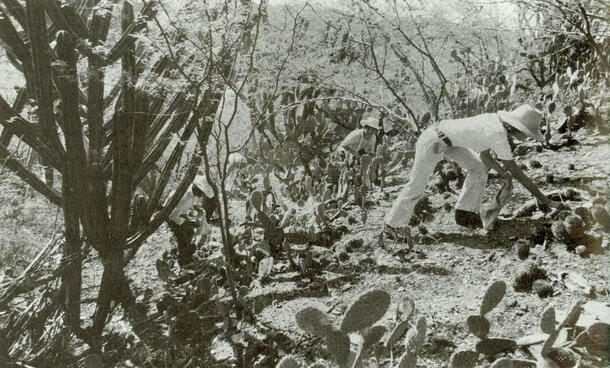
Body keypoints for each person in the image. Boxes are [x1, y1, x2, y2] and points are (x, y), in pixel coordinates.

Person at [383, 104, 561, 244]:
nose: (526, 138)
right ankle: (392, 226)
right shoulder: (498, 134)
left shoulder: (496, 121)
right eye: (527, 134)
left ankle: (465, 213)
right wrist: (544, 199)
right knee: (417, 185)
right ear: (517, 128)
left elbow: (484, 156)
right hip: (434, 140)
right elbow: (518, 173)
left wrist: (503, 174)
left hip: (450, 142)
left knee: (478, 167)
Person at [166, 174, 216, 267]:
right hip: (171, 217)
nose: (202, 196)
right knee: (184, 237)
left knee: (190, 233)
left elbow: (187, 207)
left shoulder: (192, 195)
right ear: (196, 188)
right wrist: (188, 222)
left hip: (179, 214)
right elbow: (172, 215)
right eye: (202, 192)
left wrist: (196, 209)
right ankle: (183, 262)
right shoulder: (184, 196)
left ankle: (187, 257)